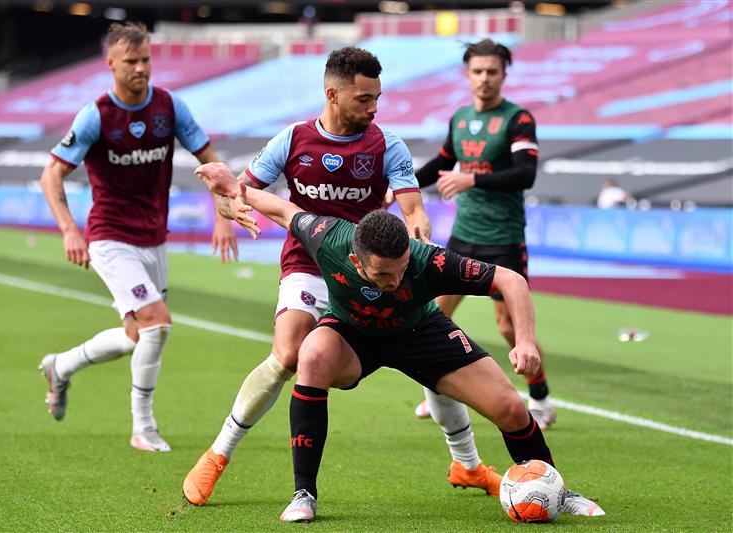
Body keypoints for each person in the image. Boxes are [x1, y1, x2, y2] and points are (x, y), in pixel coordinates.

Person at [196, 161, 605, 523]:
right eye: (383, 275)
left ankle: (557, 490)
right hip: (354, 334)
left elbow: (510, 280)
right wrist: (233, 187)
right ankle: (304, 493)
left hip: (421, 333)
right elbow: (285, 210)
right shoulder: (329, 238)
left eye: (400, 270)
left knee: (510, 407)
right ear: (356, 261)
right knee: (312, 354)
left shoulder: (428, 262)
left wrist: (527, 341)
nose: (395, 281)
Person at [183, 46, 502, 506]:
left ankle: (468, 466)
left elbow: (412, 206)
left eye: (377, 98)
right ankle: (218, 453)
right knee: (289, 353)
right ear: (333, 94)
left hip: (373, 271)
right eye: (363, 99)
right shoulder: (291, 140)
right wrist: (227, 208)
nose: (373, 108)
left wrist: (418, 229)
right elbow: (239, 193)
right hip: (309, 266)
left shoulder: (387, 143)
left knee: (429, 351)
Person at [38, 21, 236, 452]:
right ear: (111, 64)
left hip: (154, 238)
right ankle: (142, 427)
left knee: (137, 336)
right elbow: (51, 174)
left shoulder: (169, 106)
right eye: (131, 61)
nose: (141, 68)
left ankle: (61, 366)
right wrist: (71, 230)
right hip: (110, 237)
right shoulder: (96, 115)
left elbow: (209, 159)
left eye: (145, 59)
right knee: (158, 323)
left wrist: (223, 214)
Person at [413, 39, 556, 429]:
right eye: (478, 71)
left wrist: (471, 178)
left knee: (510, 328)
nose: (485, 78)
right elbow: (442, 163)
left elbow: (525, 173)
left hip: (504, 238)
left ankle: (541, 399)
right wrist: (400, 185)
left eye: (492, 71)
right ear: (467, 74)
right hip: (463, 236)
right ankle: (438, 396)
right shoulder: (459, 118)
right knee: (432, 315)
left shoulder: (518, 119)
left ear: (504, 74)